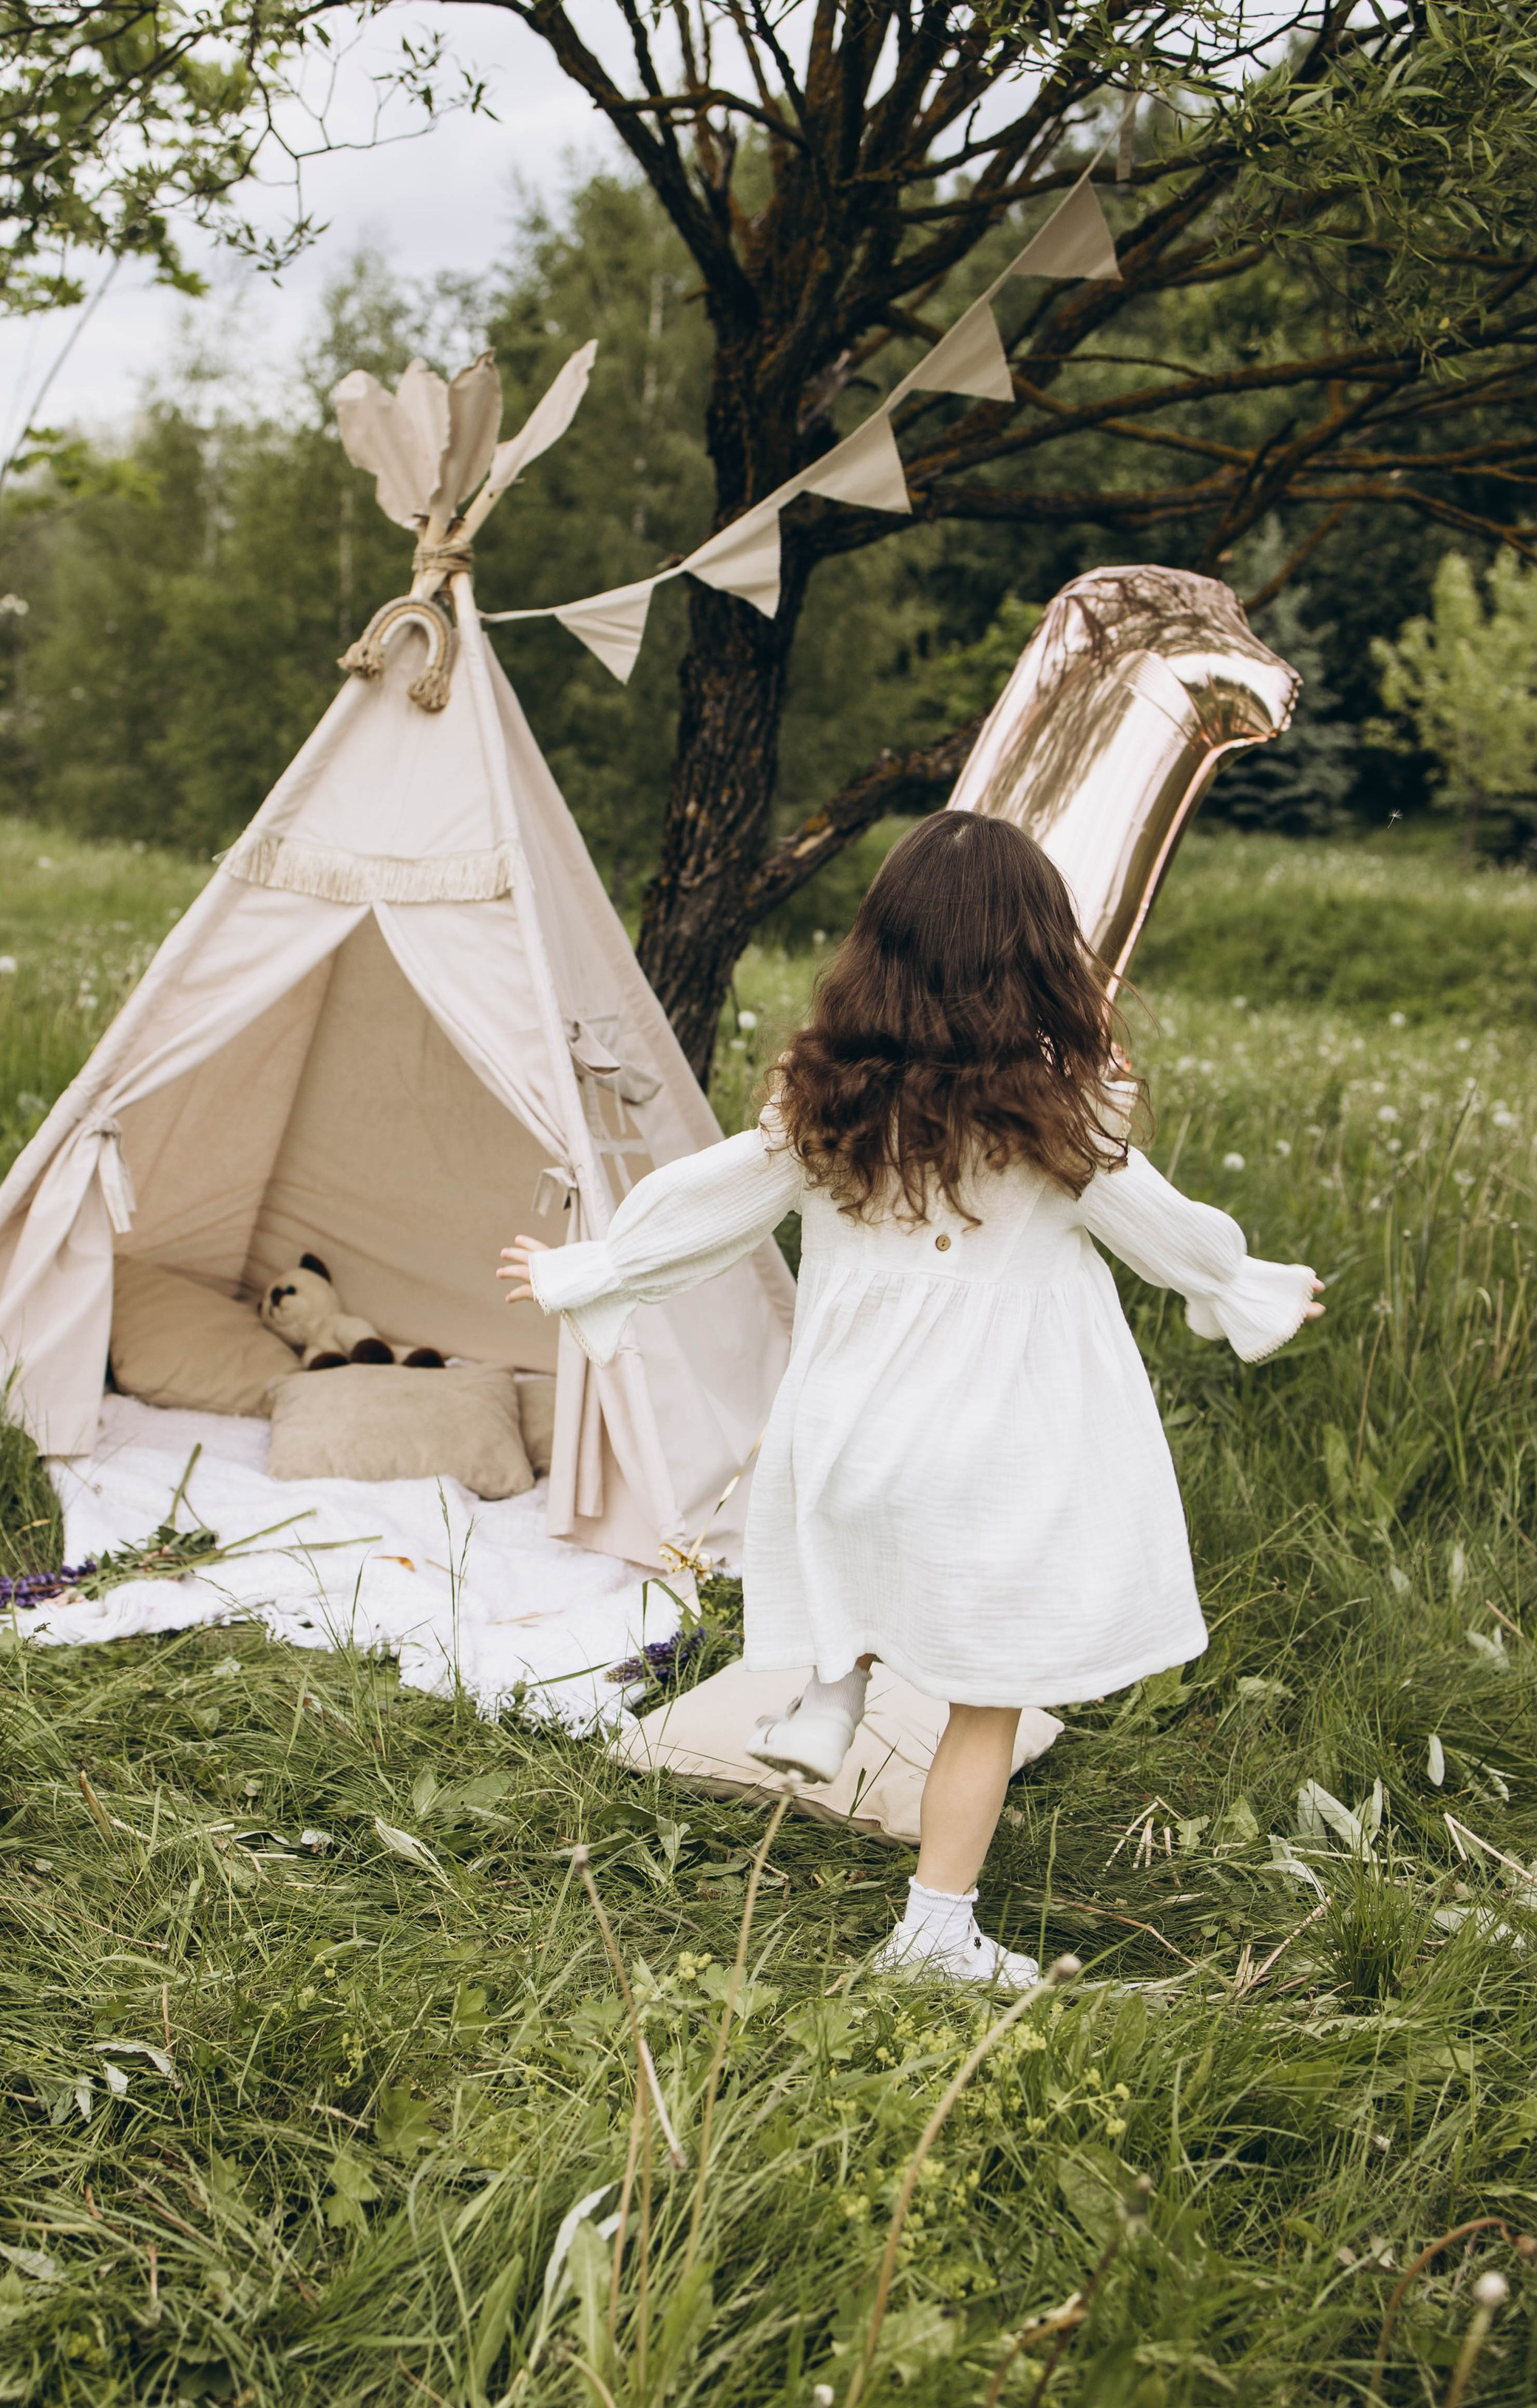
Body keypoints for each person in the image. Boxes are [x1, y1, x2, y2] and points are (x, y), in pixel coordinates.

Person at [499, 810, 1322, 1990]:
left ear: (878, 947)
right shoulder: (1059, 1108)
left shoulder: (822, 1094)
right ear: (1042, 952)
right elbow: (1165, 1237)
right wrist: (1249, 1290)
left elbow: (718, 1195)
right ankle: (936, 1928)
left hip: (844, 1431)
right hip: (990, 1439)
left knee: (869, 1538)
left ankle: (832, 1697)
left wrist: (597, 1269)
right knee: (986, 1699)